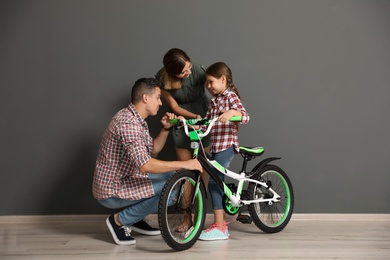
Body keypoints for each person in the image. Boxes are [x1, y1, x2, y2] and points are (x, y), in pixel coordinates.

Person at [92, 78, 202, 246]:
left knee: (173, 177)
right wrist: (185, 164)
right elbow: (146, 165)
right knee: (174, 188)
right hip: (113, 189)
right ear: (145, 98)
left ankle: (135, 219)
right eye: (158, 97)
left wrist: (165, 128)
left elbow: (153, 151)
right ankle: (119, 221)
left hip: (127, 178)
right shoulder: (128, 124)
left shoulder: (135, 118)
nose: (160, 103)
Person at [155, 48, 210, 231]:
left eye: (189, 67)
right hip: (182, 121)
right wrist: (193, 117)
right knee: (186, 171)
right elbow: (174, 106)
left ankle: (200, 216)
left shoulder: (199, 72)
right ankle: (186, 218)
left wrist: (203, 118)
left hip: (204, 119)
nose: (188, 73)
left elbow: (217, 88)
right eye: (183, 72)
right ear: (172, 73)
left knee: (203, 170)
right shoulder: (162, 79)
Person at [198, 62, 250, 241]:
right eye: (207, 83)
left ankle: (220, 227)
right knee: (215, 181)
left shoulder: (230, 96)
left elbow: (245, 116)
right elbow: (208, 120)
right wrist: (196, 123)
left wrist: (232, 113)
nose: (209, 86)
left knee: (214, 182)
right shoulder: (214, 100)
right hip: (216, 146)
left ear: (223, 79)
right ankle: (219, 221)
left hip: (227, 145)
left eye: (211, 82)